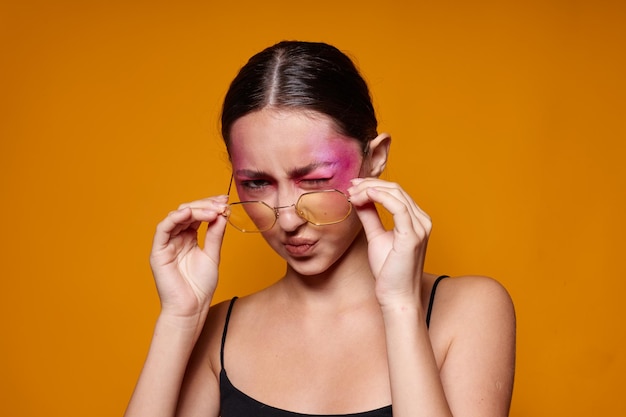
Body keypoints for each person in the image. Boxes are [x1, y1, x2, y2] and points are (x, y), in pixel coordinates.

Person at [124, 41, 516, 417]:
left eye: (313, 180)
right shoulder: (218, 331)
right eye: (257, 183)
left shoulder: (468, 310)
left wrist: (401, 307)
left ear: (375, 158)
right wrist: (178, 318)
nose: (288, 219)